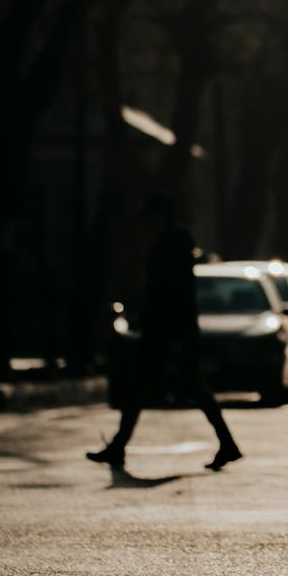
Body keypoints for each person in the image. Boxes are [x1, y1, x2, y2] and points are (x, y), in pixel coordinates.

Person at [87, 192, 241, 471]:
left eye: (150, 218)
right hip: (166, 330)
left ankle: (118, 447)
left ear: (161, 218)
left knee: (181, 388)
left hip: (170, 332)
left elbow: (175, 295)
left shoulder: (173, 246)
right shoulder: (168, 244)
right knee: (160, 388)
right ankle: (118, 447)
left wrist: (174, 336)